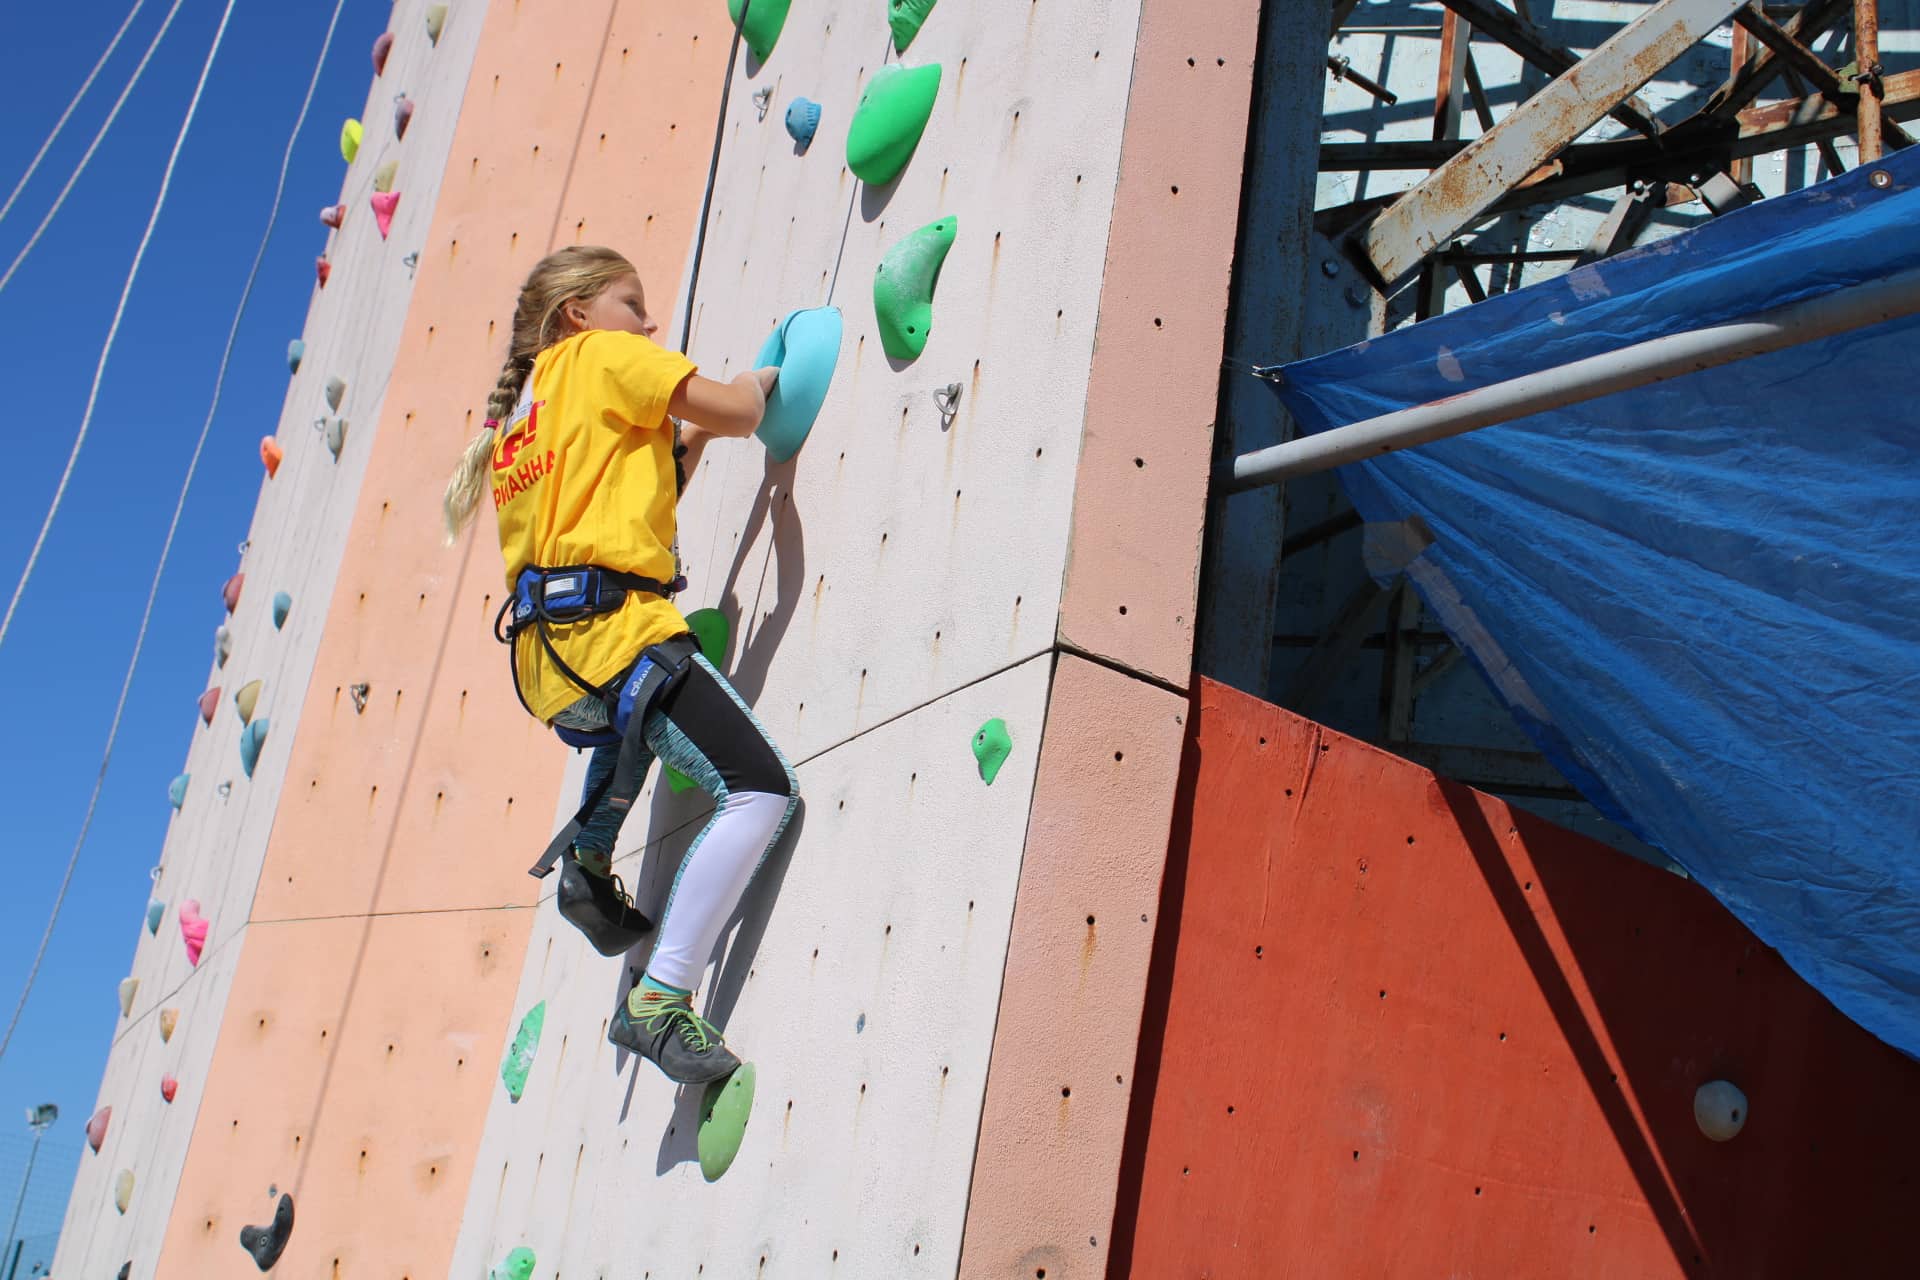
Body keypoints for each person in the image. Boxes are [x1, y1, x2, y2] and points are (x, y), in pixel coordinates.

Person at [442, 245, 798, 1086]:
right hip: (616, 634)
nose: (648, 321)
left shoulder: (526, 415)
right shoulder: (603, 355)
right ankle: (659, 999)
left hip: (552, 665)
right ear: (579, 314)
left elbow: (649, 482)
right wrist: (761, 381)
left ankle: (591, 860)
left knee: (630, 717)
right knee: (759, 789)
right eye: (632, 303)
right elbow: (739, 411)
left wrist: (694, 435)